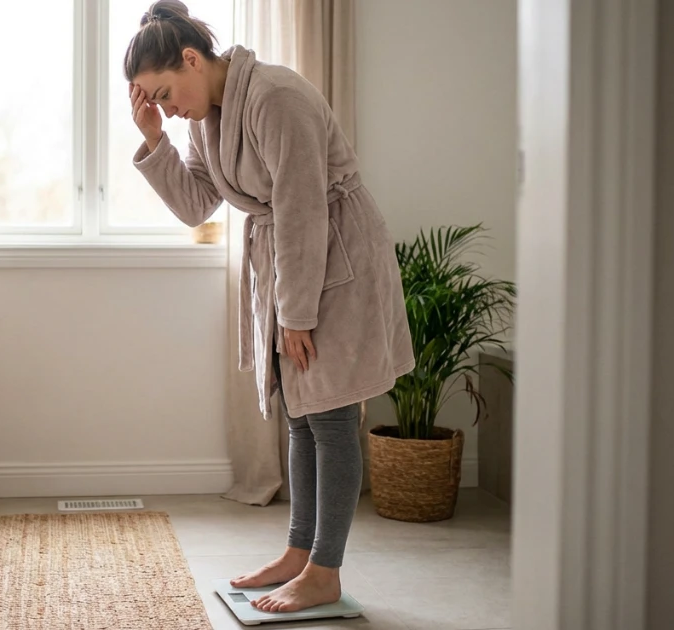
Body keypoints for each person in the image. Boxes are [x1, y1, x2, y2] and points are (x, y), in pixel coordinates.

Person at [124, 0, 415, 614]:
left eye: (166, 94)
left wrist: (298, 313)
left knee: (331, 416)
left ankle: (324, 571)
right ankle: (297, 552)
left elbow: (304, 208)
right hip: (290, 263)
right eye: (157, 103)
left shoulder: (276, 97)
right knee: (300, 413)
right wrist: (155, 142)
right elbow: (197, 205)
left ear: (192, 58)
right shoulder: (207, 121)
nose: (169, 110)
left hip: (334, 257)